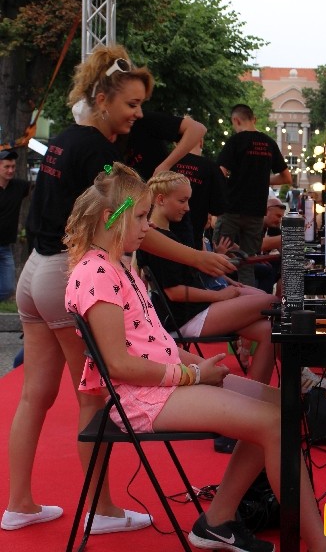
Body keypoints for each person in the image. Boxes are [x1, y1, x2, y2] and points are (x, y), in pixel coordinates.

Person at [2, 45, 234, 534]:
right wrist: (195, 256)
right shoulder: (100, 155)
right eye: (131, 104)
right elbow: (130, 227)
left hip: (34, 274)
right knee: (92, 398)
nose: (138, 115)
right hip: (62, 273)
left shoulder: (65, 140)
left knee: (34, 396)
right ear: (103, 99)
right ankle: (103, 510)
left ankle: (18, 503)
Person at [63, 162, 326, 552]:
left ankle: (218, 521)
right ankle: (318, 544)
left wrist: (196, 367)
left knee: (282, 407)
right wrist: (193, 375)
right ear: (108, 218)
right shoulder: (98, 273)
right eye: (142, 217)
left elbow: (155, 343)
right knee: (274, 422)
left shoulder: (115, 264)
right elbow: (120, 366)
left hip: (156, 384)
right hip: (142, 397)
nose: (148, 226)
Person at [137, 171, 279, 385]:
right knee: (272, 301)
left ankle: (259, 396)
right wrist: (220, 296)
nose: (187, 208)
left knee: (270, 331)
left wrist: (225, 284)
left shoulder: (168, 234)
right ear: (160, 199)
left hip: (192, 310)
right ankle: (298, 372)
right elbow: (174, 292)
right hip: (184, 317)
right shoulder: (158, 241)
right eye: (182, 201)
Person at [216, 104, 292, 286]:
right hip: (256, 213)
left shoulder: (235, 141)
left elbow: (220, 172)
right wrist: (262, 180)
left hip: (232, 209)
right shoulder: (269, 143)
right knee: (248, 262)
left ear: (236, 120)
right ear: (254, 119)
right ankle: (248, 297)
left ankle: (220, 292)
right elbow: (286, 177)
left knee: (220, 253)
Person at [171, 138, 227, 250]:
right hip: (193, 240)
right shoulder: (211, 168)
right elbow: (219, 208)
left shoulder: (166, 162)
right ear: (201, 141)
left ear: (176, 142)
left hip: (161, 237)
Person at [0, 150, 30, 302]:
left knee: (8, 288)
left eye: (13, 166)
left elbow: (39, 188)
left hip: (5, 246)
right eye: (7, 167)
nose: (11, 170)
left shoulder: (19, 187)